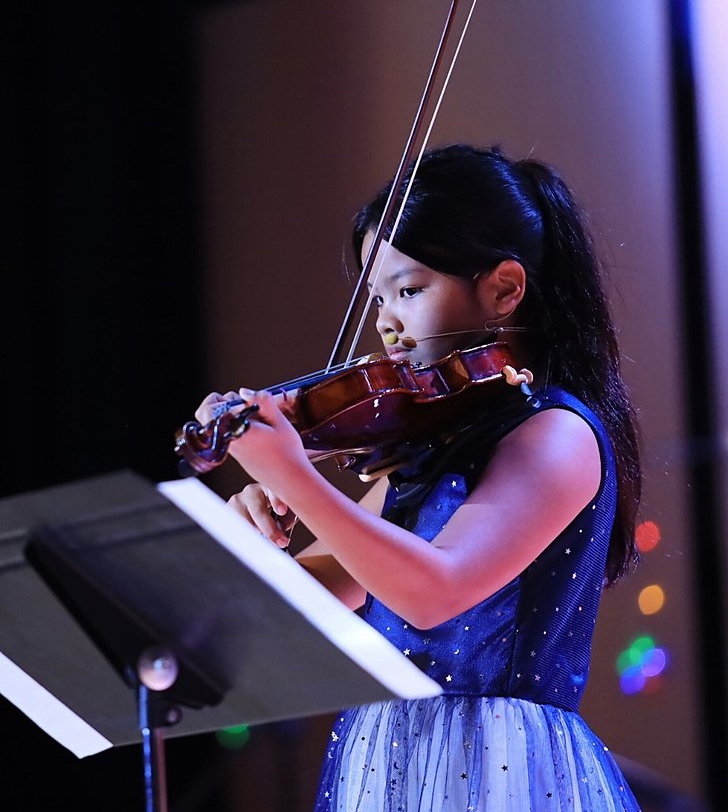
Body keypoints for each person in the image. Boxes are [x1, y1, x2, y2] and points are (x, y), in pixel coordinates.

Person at [196, 144, 642, 811]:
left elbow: (437, 590)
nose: (385, 322)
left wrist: (298, 476)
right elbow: (317, 603)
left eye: (408, 289)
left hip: (502, 761)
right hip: (389, 754)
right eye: (377, 297)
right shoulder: (431, 449)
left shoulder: (556, 435)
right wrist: (259, 541)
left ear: (503, 289)